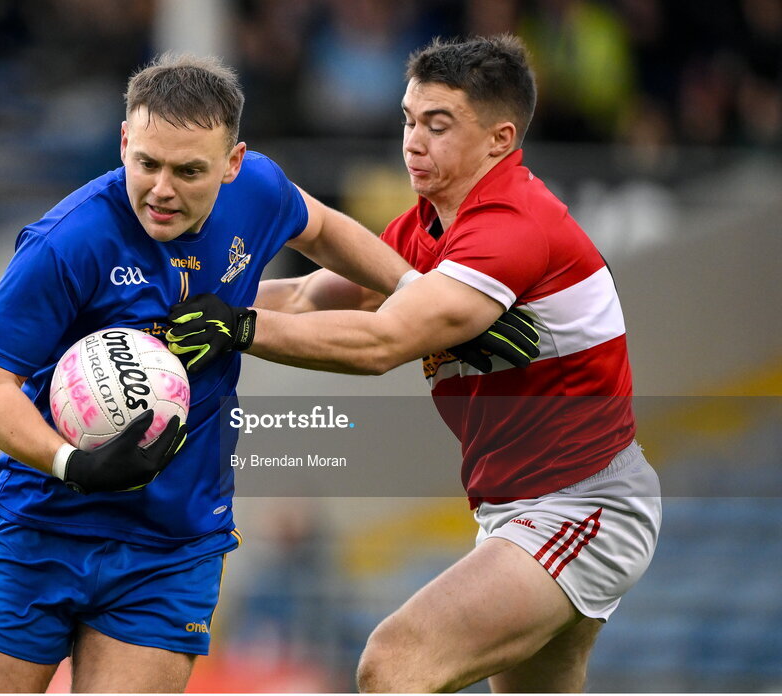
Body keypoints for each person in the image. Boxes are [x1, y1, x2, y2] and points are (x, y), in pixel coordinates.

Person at [0, 52, 532, 693]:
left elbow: (325, 228)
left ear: (233, 163)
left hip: (172, 545)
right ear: (123, 142)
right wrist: (71, 463)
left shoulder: (259, 193)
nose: (162, 189)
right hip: (41, 530)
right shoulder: (66, 244)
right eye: (146, 164)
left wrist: (423, 293)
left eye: (189, 171)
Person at [167, 35, 662, 693]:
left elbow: (380, 345)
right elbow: (312, 295)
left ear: (499, 138)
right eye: (408, 119)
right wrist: (170, 311)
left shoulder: (512, 225)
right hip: (517, 506)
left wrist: (235, 329)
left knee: (394, 660)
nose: (413, 141)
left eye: (438, 124)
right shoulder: (425, 227)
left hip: (582, 504)